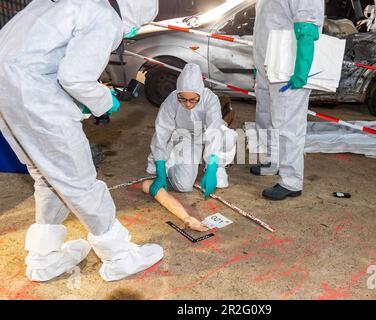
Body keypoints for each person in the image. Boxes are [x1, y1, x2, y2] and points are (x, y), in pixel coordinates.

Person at [0, 0, 162, 282]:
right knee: (79, 180)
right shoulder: (105, 16)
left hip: (7, 94)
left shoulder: (65, 3)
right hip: (35, 97)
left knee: (47, 175)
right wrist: (103, 102)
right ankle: (120, 255)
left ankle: (44, 257)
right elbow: (74, 77)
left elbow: (42, 58)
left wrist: (78, 101)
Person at [250, 0, 324, 200]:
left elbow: (308, 25)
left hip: (288, 67)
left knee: (287, 125)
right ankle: (273, 161)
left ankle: (291, 181)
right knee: (266, 116)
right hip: (268, 65)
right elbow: (266, 25)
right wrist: (257, 63)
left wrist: (301, 69)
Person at [146, 63, 237, 200]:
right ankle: (170, 163)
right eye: (183, 99)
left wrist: (212, 166)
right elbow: (161, 132)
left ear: (200, 93)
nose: (188, 104)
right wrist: (160, 169)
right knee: (183, 186)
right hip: (185, 138)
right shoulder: (171, 100)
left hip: (206, 133)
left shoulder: (210, 98)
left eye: (193, 99)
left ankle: (217, 167)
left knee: (228, 137)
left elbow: (213, 131)